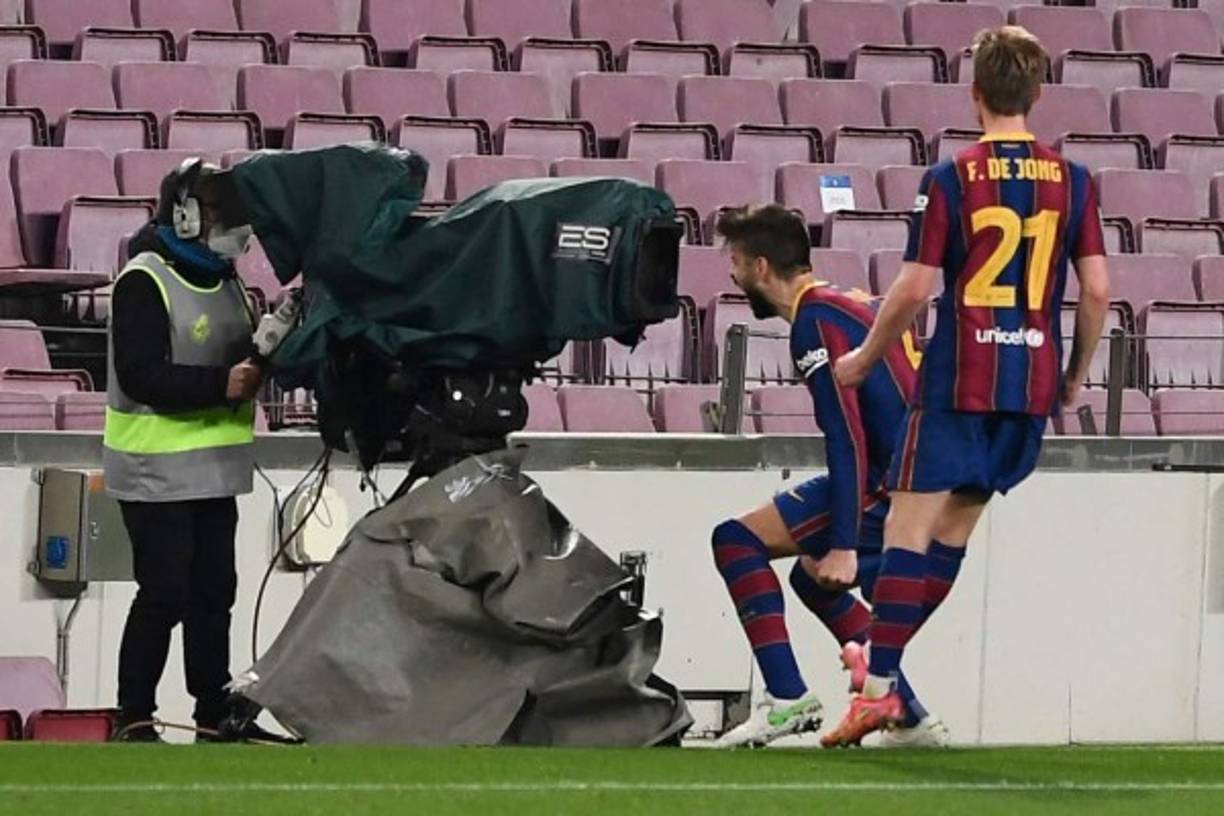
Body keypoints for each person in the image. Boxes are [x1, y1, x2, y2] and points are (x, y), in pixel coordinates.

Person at [821, 26, 1110, 747]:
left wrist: (862, 358)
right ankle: (882, 676)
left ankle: (880, 686)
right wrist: (1074, 377)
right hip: (1030, 384)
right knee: (950, 537)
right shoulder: (1075, 181)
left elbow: (918, 286)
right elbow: (1099, 290)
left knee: (907, 529)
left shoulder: (951, 178)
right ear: (1038, 93)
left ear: (974, 92)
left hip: (959, 380)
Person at [710, 205, 954, 749]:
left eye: (735, 260)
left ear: (762, 266)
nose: (731, 273)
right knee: (808, 578)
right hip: (922, 476)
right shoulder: (848, 302)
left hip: (892, 484)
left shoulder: (813, 324)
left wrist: (843, 543)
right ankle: (907, 716)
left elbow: (846, 436)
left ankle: (789, 699)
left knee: (736, 541)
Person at [105, 158, 262, 742]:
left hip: (217, 472)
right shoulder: (144, 280)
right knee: (163, 593)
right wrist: (222, 386)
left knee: (213, 594)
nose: (239, 227)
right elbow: (143, 375)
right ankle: (135, 716)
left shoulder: (230, 284)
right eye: (225, 212)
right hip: (155, 472)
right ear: (186, 213)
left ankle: (212, 711)